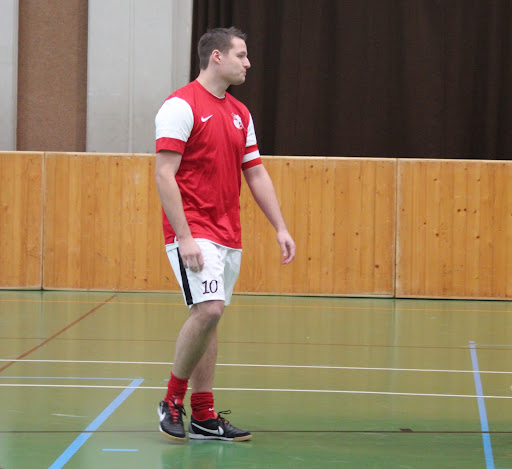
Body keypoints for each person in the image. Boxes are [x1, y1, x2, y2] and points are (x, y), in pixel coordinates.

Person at [154, 26, 295, 442]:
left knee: (209, 320)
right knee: (210, 310)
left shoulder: (240, 113)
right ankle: (171, 400)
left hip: (227, 232)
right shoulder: (180, 106)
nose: (248, 63)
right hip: (193, 229)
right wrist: (184, 237)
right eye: (241, 55)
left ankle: (203, 415)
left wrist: (280, 227)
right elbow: (164, 174)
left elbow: (256, 173)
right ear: (217, 57)